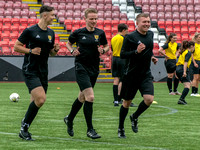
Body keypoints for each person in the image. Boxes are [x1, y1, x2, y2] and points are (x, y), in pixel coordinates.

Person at [14, 5, 60, 141]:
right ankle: (24, 126)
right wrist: (30, 51)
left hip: (43, 72)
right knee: (41, 99)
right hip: (30, 70)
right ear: (44, 15)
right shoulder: (30, 31)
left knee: (37, 101)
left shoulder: (51, 33)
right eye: (52, 15)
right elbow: (16, 46)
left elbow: (51, 54)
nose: (54, 17)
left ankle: (25, 127)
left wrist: (55, 50)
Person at [64, 8, 109, 139]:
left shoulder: (100, 33)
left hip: (94, 68)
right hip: (81, 67)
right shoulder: (78, 32)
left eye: (95, 18)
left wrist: (103, 50)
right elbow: (68, 44)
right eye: (91, 18)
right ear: (85, 19)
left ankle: (69, 118)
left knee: (82, 97)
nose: (94, 21)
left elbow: (106, 46)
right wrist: (72, 51)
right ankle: (90, 129)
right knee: (90, 97)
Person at [117, 13, 158, 138]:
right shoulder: (130, 37)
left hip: (145, 74)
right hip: (131, 75)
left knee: (149, 99)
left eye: (148, 21)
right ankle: (121, 128)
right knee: (126, 103)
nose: (146, 24)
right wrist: (136, 51)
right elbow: (123, 54)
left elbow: (149, 50)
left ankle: (134, 116)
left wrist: (151, 57)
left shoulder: (150, 34)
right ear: (137, 23)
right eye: (144, 22)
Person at [111, 23, 128, 106]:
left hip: (114, 59)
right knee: (122, 80)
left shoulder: (113, 38)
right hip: (122, 59)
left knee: (116, 79)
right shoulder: (123, 38)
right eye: (126, 31)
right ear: (124, 30)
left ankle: (115, 100)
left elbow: (111, 49)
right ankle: (120, 98)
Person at [190, 33, 200, 97]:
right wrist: (194, 63)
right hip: (196, 61)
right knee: (195, 77)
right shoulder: (193, 45)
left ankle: (196, 91)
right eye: (199, 37)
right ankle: (193, 92)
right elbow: (192, 55)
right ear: (196, 38)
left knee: (198, 78)